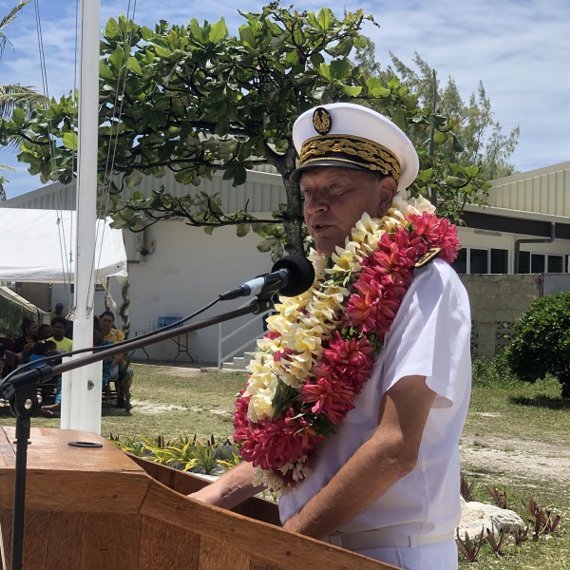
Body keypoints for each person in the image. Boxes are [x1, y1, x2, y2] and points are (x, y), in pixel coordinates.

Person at [189, 103, 471, 570]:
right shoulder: (321, 292)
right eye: (307, 193)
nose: (316, 207)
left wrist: (283, 545)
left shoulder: (426, 284)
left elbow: (395, 448)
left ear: (384, 194)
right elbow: (301, 441)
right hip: (314, 544)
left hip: (387, 552)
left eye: (336, 189)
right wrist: (216, 494)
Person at [99, 310, 133, 409]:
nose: (107, 322)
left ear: (113, 322)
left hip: (116, 362)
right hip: (98, 362)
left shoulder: (118, 334)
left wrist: (113, 362)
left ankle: (121, 398)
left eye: (110, 321)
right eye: (104, 320)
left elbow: (122, 352)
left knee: (127, 372)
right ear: (100, 320)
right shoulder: (94, 333)